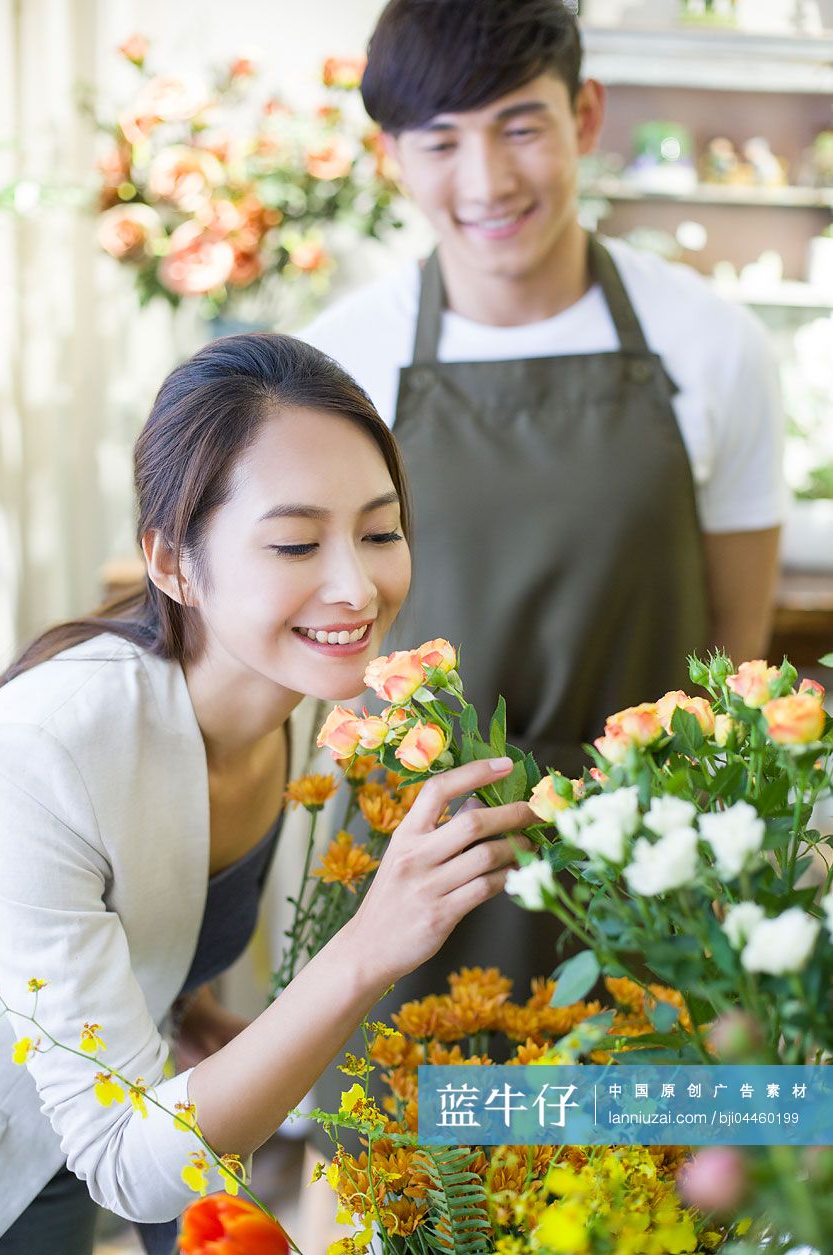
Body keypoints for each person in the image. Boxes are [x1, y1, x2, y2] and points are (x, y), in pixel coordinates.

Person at [297, 0, 785, 1158]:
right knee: (421, 1191)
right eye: (441, 139)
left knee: (644, 1199)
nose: (486, 177)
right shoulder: (341, 360)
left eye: (520, 126)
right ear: (391, 156)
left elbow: (736, 658)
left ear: (586, 117)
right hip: (419, 875)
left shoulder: (712, 346)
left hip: (650, 876)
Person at [0, 333, 535, 1253]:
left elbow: (139, 915)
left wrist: (185, 1010)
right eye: (294, 541)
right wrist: (369, 945)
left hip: (85, 1157)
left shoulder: (283, 702)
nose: (355, 585)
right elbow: (127, 1157)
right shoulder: (50, 746)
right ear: (170, 560)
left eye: (378, 531)